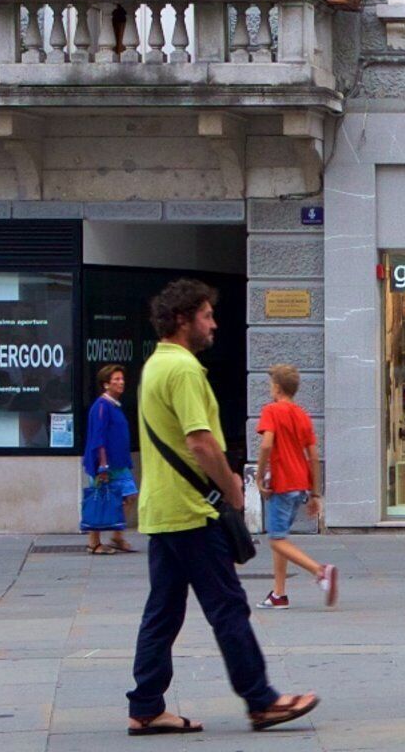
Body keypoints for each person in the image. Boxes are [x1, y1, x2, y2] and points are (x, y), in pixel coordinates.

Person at [125, 280, 316, 736]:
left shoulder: (155, 365)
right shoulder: (184, 370)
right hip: (192, 511)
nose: (214, 324)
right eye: (206, 316)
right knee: (229, 606)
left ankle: (147, 706)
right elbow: (200, 440)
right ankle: (262, 701)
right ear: (181, 319)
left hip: (163, 509)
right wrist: (233, 489)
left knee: (164, 611)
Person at [252, 365, 335, 610]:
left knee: (276, 540)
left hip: (282, 482)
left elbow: (266, 444)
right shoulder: (302, 415)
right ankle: (279, 594)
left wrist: (258, 476)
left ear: (276, 387)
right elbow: (313, 455)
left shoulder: (272, 410)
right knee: (282, 537)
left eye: (270, 385)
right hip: (300, 484)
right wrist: (315, 492)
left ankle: (320, 571)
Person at [83, 363, 137, 556]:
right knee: (100, 499)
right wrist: (103, 464)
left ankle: (117, 536)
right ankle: (93, 542)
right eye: (116, 380)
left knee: (129, 495)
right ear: (106, 384)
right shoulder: (101, 406)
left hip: (119, 463)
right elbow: (99, 437)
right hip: (105, 465)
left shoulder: (115, 406)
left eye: (122, 379)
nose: (121, 383)